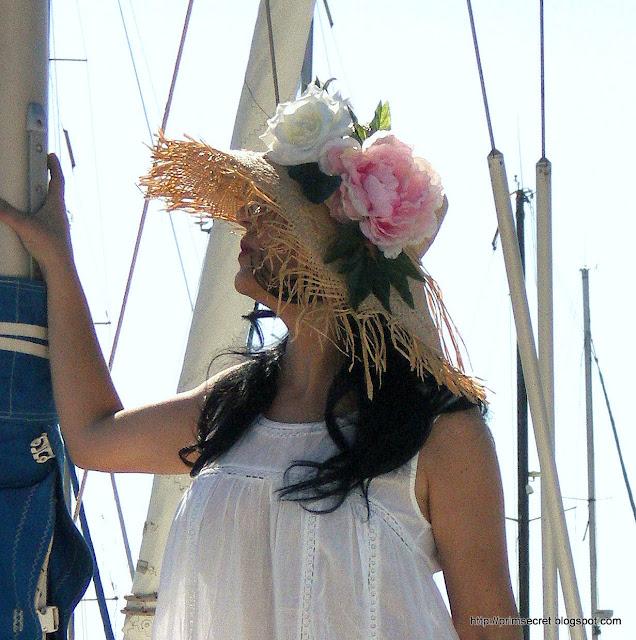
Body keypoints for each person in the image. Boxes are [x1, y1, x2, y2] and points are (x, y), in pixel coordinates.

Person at [0, 87, 522, 640]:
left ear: (328, 256)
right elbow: (92, 437)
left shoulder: (441, 436)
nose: (247, 219)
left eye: (272, 213)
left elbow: (492, 629)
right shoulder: (238, 404)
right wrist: (58, 261)